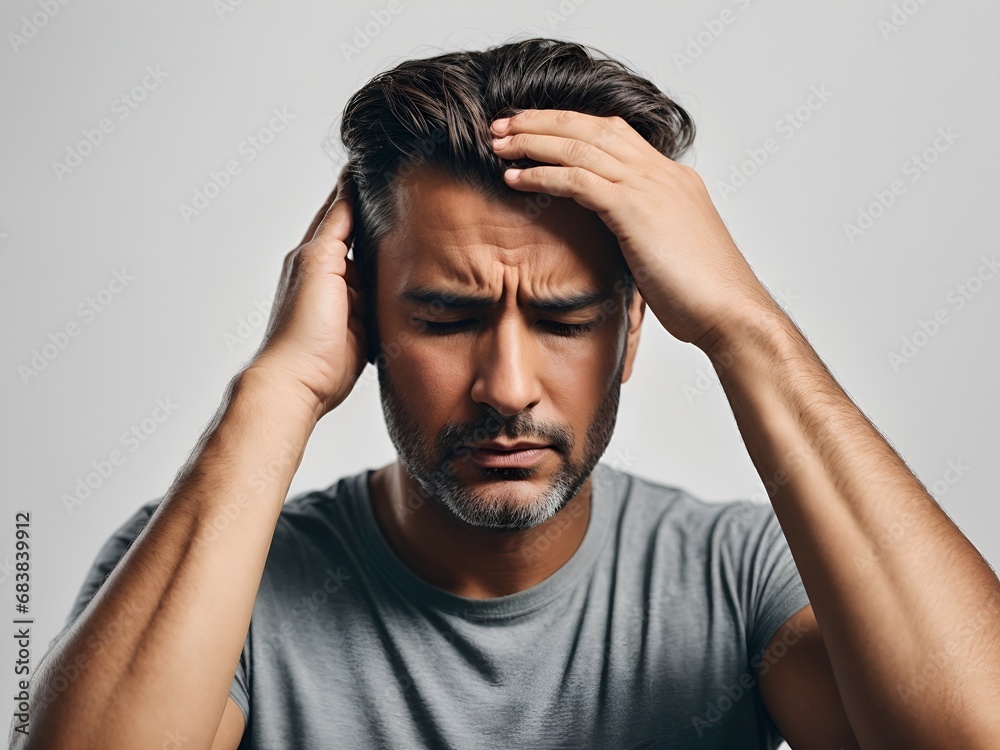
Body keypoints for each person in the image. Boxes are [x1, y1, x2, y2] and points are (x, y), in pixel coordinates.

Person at [12, 37, 1000, 750]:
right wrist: (279, 388)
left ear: (632, 331)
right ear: (362, 320)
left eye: (566, 320)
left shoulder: (740, 577)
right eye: (444, 320)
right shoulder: (214, 573)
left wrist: (747, 328)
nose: (508, 388)